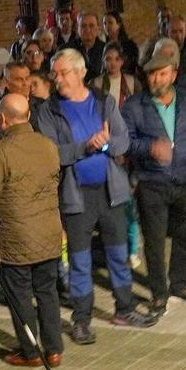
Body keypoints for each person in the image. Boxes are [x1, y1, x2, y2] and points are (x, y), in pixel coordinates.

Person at [48, 49, 143, 339]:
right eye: (54, 73)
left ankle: (124, 308)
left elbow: (123, 141)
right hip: (76, 196)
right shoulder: (50, 110)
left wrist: (105, 145)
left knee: (118, 253)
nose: (57, 79)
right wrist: (86, 147)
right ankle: (81, 319)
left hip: (110, 192)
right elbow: (51, 153)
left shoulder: (104, 102)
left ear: (81, 73)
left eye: (63, 72)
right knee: (79, 259)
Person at [0, 92, 68, 367]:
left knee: (20, 295)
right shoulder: (48, 145)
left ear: (2, 119)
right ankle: (54, 349)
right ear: (28, 116)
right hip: (48, 233)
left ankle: (31, 351)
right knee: (47, 291)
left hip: (15, 238)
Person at [124, 38, 186, 319]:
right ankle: (159, 293)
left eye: (162, 74)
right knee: (155, 242)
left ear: (173, 74)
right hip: (152, 182)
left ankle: (179, 285)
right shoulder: (134, 106)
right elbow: (125, 141)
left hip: (185, 179)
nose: (156, 79)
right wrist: (149, 148)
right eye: (152, 74)